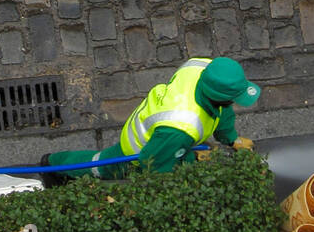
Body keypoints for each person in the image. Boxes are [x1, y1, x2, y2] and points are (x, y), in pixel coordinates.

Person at [38, 57, 259, 186]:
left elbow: (222, 110)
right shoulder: (182, 126)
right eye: (233, 98)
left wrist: (231, 139)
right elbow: (154, 167)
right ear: (218, 97)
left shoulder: (202, 66)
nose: (235, 103)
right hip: (139, 150)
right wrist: (190, 159)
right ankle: (53, 165)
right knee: (99, 166)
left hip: (158, 127)